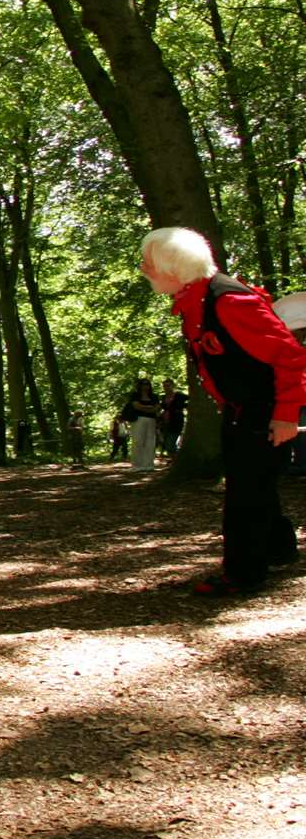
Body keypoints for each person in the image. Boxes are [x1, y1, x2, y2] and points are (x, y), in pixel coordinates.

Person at [138, 227, 305, 596]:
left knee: (245, 494)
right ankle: (278, 549)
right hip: (240, 408)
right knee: (254, 482)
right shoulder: (196, 300)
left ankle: (243, 575)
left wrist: (285, 416)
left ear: (172, 266)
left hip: (263, 409)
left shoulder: (229, 302)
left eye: (148, 263)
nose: (143, 270)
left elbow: (291, 357)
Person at [123, 378, 160, 470]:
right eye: (143, 384)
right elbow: (136, 406)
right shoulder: (135, 395)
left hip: (151, 420)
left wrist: (145, 407)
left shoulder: (154, 396)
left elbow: (156, 408)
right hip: (138, 420)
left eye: (147, 384)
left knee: (150, 442)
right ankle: (137, 465)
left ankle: (148, 465)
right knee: (138, 441)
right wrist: (149, 407)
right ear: (139, 386)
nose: (145, 386)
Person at [158, 378, 188, 455]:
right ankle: (174, 462)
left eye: (168, 386)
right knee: (166, 444)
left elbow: (190, 400)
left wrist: (182, 407)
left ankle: (177, 459)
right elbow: (162, 408)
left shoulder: (179, 395)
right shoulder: (164, 397)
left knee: (170, 444)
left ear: (172, 386)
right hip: (165, 423)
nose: (166, 388)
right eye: (164, 386)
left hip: (176, 422)